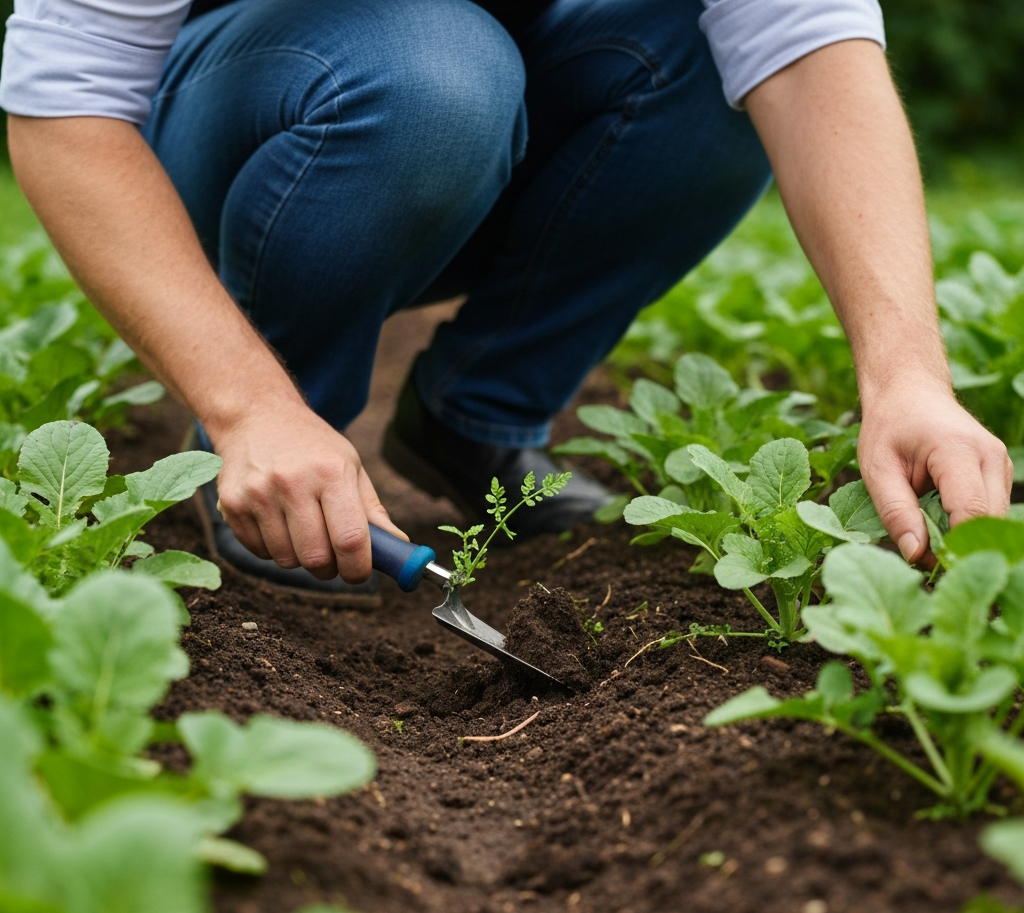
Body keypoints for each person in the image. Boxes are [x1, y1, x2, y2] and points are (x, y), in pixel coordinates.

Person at [1, 0, 1011, 604]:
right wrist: (245, 404)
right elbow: (64, 104)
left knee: (711, 56)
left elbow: (805, 42)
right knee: (435, 78)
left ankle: (473, 419)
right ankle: (278, 446)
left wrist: (907, 371)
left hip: (479, 109)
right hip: (250, 121)